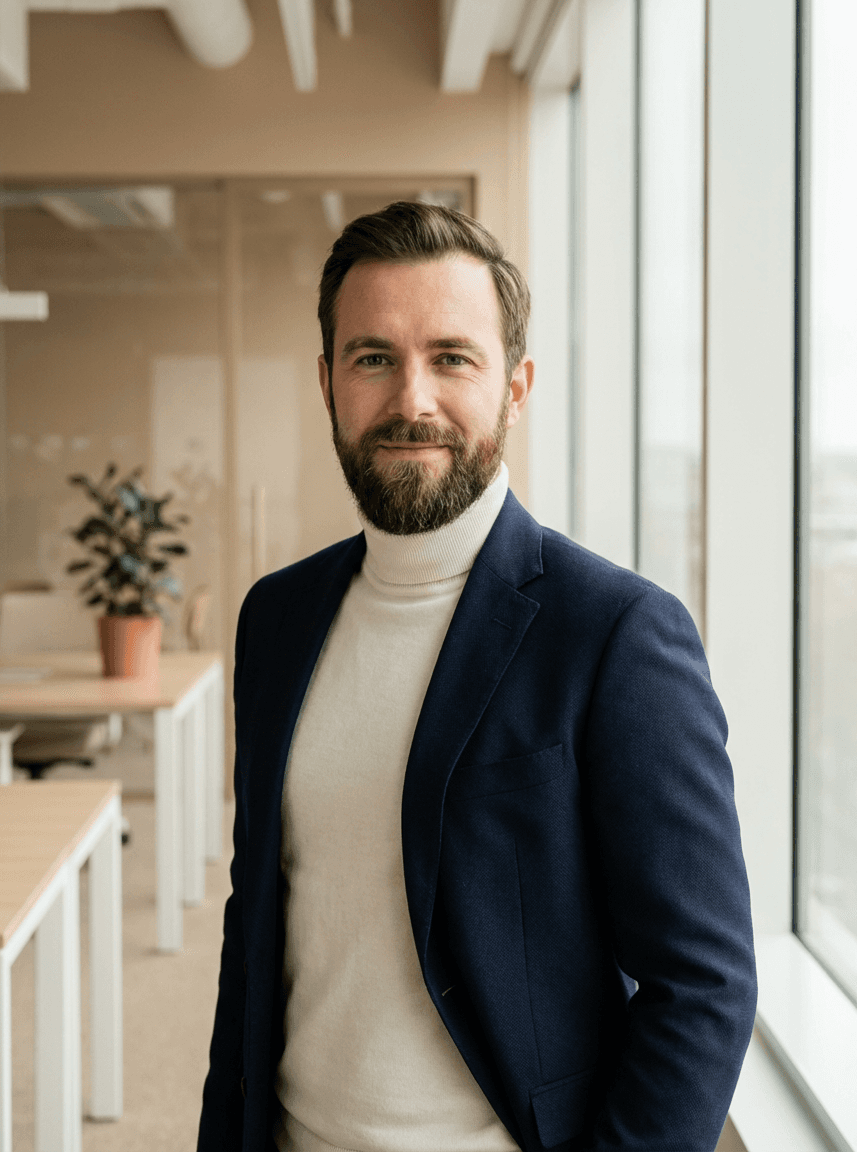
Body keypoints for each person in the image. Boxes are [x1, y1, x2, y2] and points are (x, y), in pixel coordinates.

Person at [198, 201, 756, 1152]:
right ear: (328, 382)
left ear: (515, 387)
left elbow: (704, 986)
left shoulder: (616, 634)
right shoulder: (276, 619)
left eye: (452, 357)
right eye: (373, 358)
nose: (411, 399)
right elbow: (256, 922)